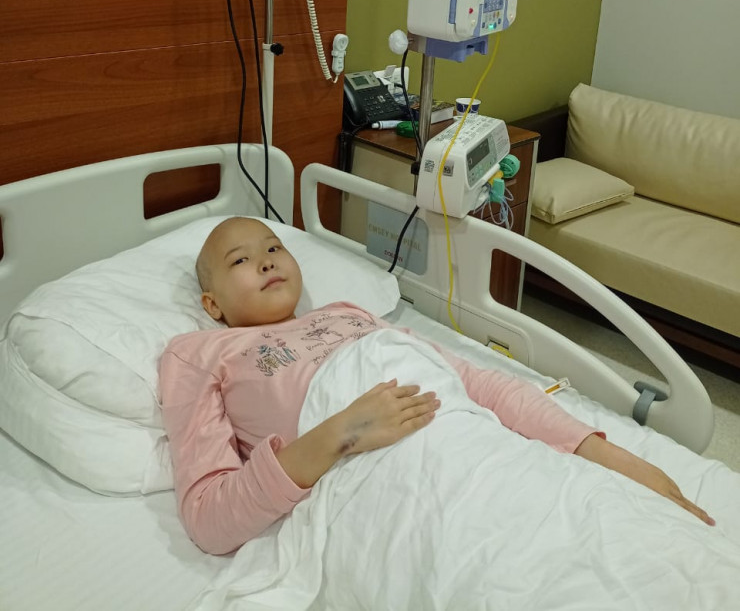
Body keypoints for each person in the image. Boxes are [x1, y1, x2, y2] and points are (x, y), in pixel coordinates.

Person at [158, 217, 714, 557]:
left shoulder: (348, 314)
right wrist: (338, 434)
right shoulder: (201, 354)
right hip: (397, 490)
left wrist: (608, 456)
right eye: (240, 260)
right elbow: (208, 518)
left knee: (647, 541)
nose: (265, 262)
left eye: (274, 247)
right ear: (212, 304)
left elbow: (477, 385)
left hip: (478, 449)